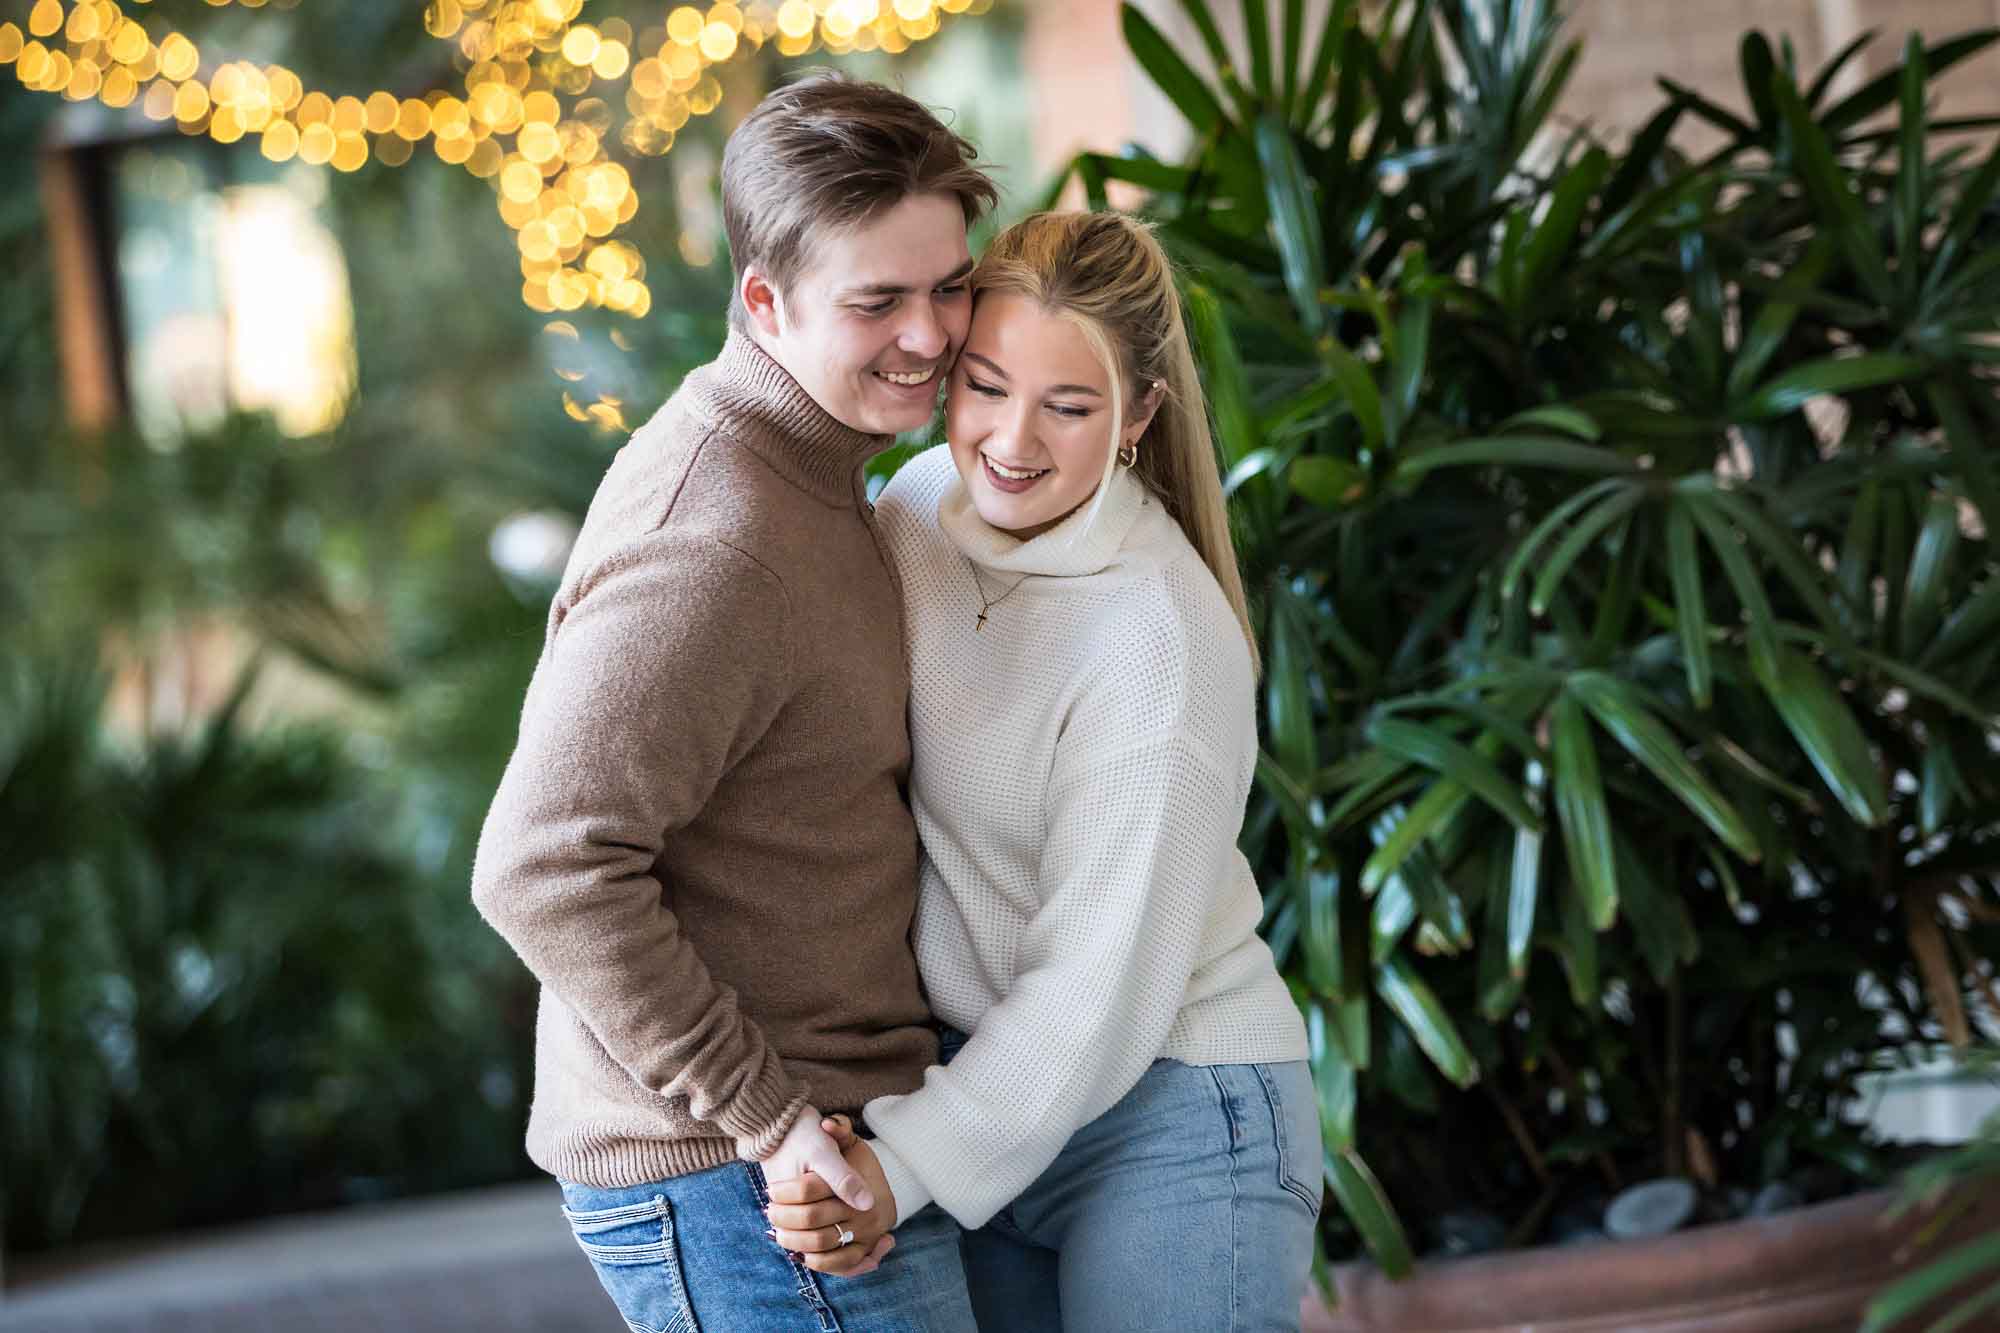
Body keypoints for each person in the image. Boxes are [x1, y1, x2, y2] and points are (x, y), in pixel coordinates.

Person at [470, 71, 997, 1332]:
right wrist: (767, 1122)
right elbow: (541, 865)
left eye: (948, 285)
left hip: (825, 1144)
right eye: (877, 301)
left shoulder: (820, 477)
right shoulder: (716, 538)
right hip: (745, 1178)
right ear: (763, 300)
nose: (931, 336)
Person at [766, 211, 1322, 1331]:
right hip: (981, 1092)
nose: (1012, 439)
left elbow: (1094, 989)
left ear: (1137, 418)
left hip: (1168, 1100)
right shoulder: (914, 507)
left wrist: (899, 1170)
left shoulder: (1157, 640)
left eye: (1067, 407)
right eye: (984, 386)